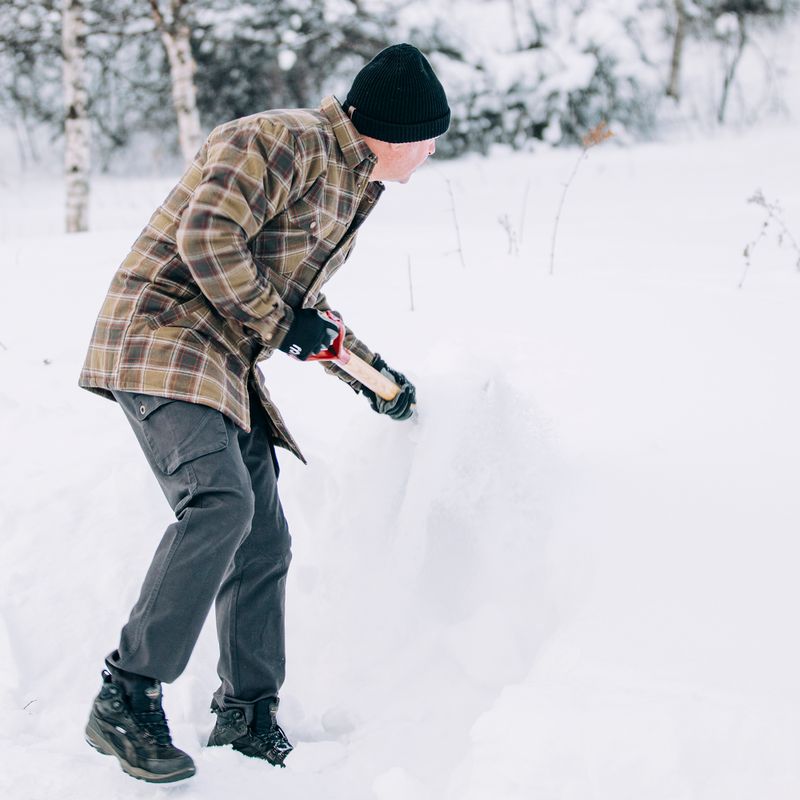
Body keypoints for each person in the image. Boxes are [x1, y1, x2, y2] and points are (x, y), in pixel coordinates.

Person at [78, 43, 450, 783]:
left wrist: (373, 376)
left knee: (263, 538)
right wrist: (284, 326)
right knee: (220, 502)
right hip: (163, 335)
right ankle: (127, 694)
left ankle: (246, 713)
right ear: (398, 130)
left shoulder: (349, 182)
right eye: (430, 138)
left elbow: (298, 302)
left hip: (222, 357)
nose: (433, 152)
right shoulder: (279, 139)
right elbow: (207, 236)